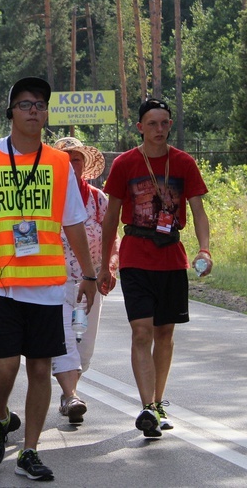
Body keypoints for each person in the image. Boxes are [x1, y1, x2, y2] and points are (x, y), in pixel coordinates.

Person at [0, 77, 97, 481]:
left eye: (41, 105)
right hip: (0, 280)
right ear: (11, 111)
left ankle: (30, 451)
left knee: (41, 368)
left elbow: (75, 222)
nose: (35, 111)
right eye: (27, 104)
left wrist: (89, 274)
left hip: (47, 283)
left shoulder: (58, 163)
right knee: (7, 365)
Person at [97, 98, 212, 438]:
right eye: (152, 123)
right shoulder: (126, 164)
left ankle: (158, 403)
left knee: (165, 333)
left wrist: (204, 248)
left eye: (165, 123)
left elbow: (199, 212)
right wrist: (106, 264)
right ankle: (146, 405)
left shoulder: (183, 163)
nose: (159, 130)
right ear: (140, 127)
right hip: (135, 255)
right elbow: (110, 218)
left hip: (171, 256)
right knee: (141, 331)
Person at [50, 137, 119, 424]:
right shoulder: (49, 197)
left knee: (84, 347)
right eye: (64, 159)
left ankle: (71, 392)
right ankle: (71, 396)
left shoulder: (97, 199)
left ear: (84, 165)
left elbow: (112, 237)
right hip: (55, 282)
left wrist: (108, 267)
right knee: (63, 340)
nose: (70, 164)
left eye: (75, 159)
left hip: (89, 282)